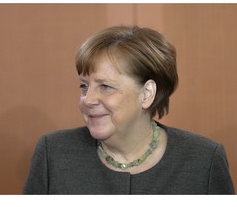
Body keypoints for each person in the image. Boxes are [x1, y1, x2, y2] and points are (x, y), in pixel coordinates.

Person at [23, 25, 235, 194]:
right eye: (84, 86)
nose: (87, 100)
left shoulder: (204, 159)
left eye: (105, 87)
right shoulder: (54, 153)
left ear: (146, 94)